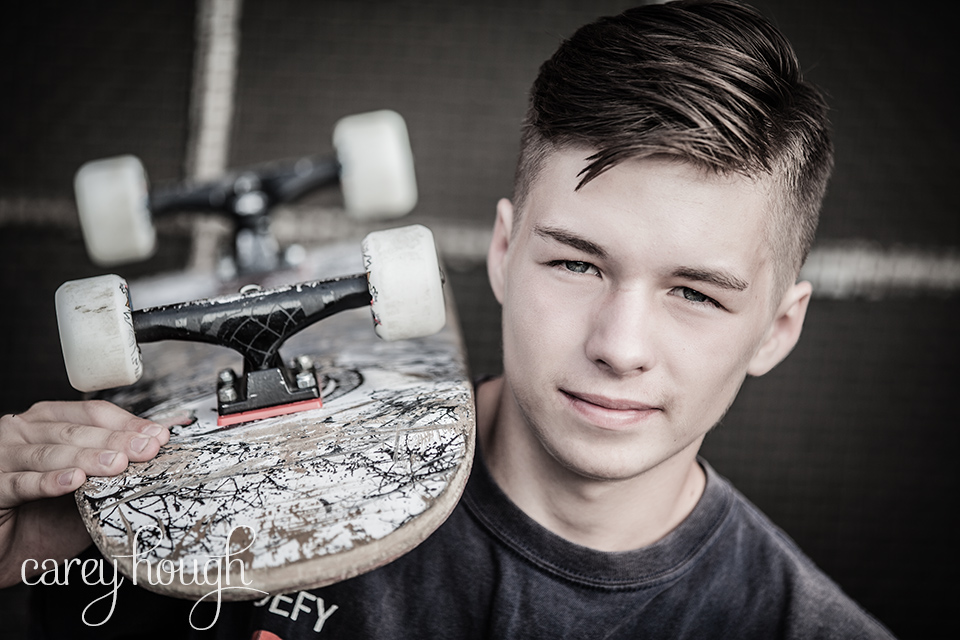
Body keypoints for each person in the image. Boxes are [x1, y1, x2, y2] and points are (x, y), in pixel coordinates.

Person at [1, 1, 895, 637]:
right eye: (576, 263)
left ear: (779, 328)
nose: (619, 347)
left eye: (695, 293)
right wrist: (26, 565)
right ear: (503, 252)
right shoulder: (208, 513)